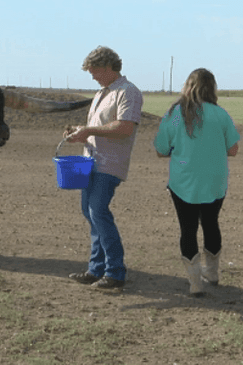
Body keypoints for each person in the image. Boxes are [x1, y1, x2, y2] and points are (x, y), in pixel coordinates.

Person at [154, 68, 240, 297]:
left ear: (188, 86)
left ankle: (194, 283)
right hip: (214, 182)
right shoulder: (221, 115)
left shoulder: (174, 114)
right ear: (212, 88)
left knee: (188, 229)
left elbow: (160, 150)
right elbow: (233, 149)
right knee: (211, 224)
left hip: (183, 183)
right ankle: (212, 273)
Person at [64, 46, 143, 289]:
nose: (92, 75)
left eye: (94, 70)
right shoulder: (101, 94)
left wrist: (88, 130)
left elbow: (124, 127)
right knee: (90, 212)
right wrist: (79, 131)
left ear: (109, 67)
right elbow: (99, 127)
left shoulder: (128, 92)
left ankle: (115, 272)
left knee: (98, 210)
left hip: (109, 164)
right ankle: (96, 269)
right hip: (89, 161)